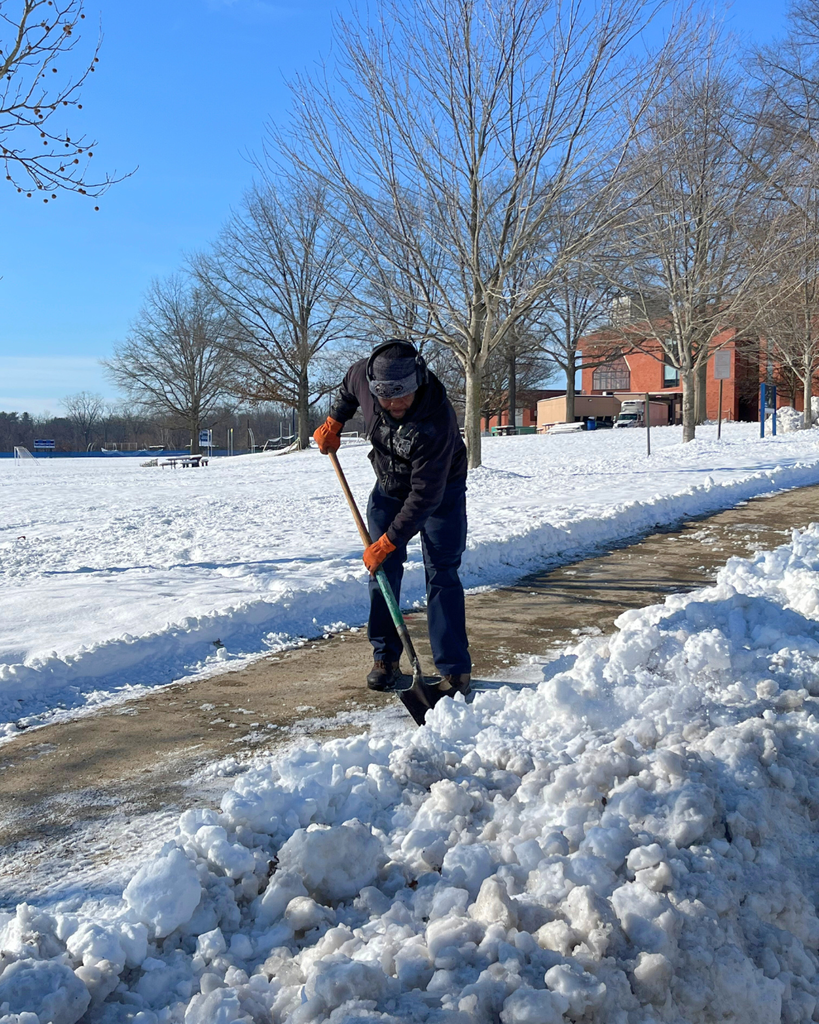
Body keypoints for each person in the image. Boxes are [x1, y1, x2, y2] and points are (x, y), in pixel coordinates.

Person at [313, 339, 471, 697]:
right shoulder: (363, 379)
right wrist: (334, 421)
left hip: (440, 491)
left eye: (402, 395)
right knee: (381, 572)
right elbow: (348, 386)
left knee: (442, 572)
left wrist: (387, 542)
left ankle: (455, 670)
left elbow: (424, 497)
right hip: (388, 485)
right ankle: (385, 658)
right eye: (386, 397)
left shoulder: (437, 421)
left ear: (418, 380)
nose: (395, 404)